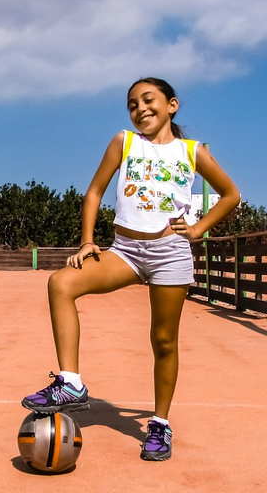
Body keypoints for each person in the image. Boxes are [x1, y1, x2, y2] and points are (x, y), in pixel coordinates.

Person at [21, 77, 240, 461]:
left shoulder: (193, 151)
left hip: (170, 252)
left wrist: (199, 229)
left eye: (148, 100)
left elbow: (231, 194)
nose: (140, 109)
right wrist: (88, 241)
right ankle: (71, 382)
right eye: (132, 104)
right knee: (61, 283)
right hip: (124, 251)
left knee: (163, 340)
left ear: (172, 105)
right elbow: (94, 192)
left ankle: (159, 424)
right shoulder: (123, 142)